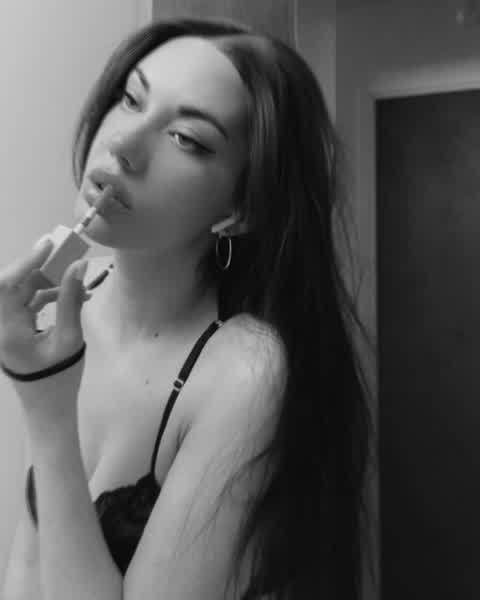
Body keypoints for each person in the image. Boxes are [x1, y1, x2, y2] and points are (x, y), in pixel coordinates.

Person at [2, 16, 376, 600]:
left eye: (186, 139)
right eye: (131, 99)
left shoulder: (245, 370)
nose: (123, 146)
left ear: (241, 208)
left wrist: (47, 409)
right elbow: (27, 573)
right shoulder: (72, 296)